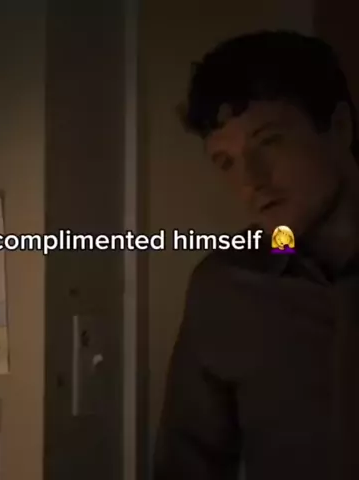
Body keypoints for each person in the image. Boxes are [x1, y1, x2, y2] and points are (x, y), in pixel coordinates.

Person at [153, 30, 359, 480]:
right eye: (226, 162)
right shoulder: (226, 288)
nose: (251, 180)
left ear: (339, 127)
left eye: (269, 142)